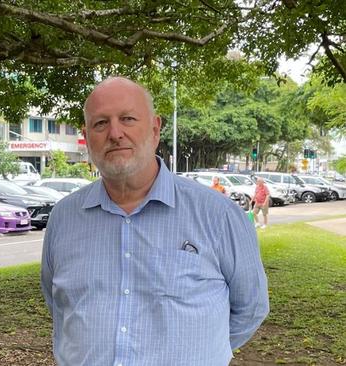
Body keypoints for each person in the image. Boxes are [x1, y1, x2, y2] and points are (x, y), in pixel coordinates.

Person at [41, 77, 269, 365]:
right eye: (100, 123)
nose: (115, 133)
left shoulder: (219, 215)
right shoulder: (63, 218)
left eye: (128, 118)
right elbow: (59, 306)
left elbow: (251, 308)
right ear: (87, 137)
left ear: (155, 129)